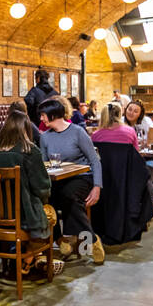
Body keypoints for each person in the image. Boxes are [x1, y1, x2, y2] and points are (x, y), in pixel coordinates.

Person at [0, 110, 58, 251]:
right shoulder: (29, 150)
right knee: (50, 212)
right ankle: (28, 259)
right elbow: (42, 188)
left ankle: (20, 257)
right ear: (26, 129)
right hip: (25, 216)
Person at [39, 100, 104, 264]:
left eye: (43, 115)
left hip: (82, 177)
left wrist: (97, 186)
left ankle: (91, 240)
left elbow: (94, 161)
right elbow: (44, 164)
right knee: (44, 200)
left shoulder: (77, 132)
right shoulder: (45, 137)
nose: (41, 118)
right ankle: (60, 240)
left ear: (53, 115)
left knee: (69, 195)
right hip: (59, 179)